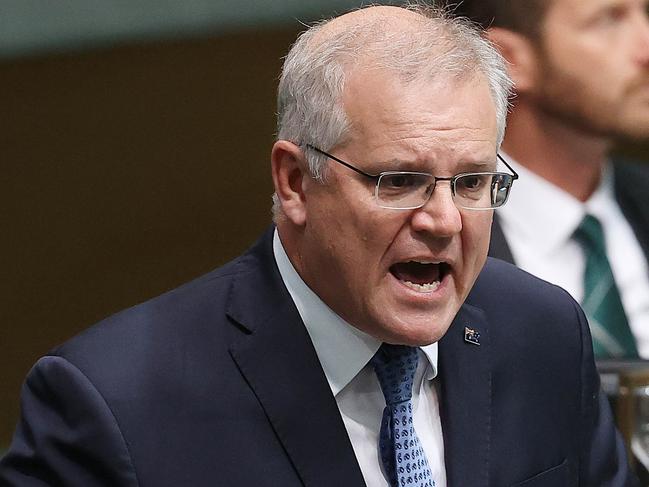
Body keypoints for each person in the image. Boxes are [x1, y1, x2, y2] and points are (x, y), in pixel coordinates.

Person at [0, 4, 637, 486]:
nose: (445, 221)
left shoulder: (545, 334)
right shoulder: (114, 401)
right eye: (401, 181)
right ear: (296, 181)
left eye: (471, 182)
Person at [449, 0, 649, 359]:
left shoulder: (640, 198)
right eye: (608, 20)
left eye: (645, 13)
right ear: (506, 58)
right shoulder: (441, 226)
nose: (645, 47)